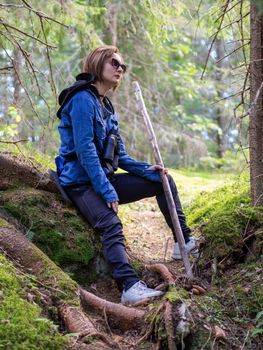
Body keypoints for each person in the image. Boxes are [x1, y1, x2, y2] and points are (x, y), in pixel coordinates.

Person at [56, 45, 198, 305]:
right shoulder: (81, 100)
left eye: (123, 65)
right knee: (110, 224)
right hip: (79, 183)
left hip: (102, 178)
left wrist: (147, 169)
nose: (120, 68)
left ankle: (184, 242)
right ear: (98, 64)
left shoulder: (106, 107)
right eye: (114, 63)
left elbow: (119, 156)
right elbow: (86, 152)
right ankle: (129, 287)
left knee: (162, 180)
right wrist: (107, 191)